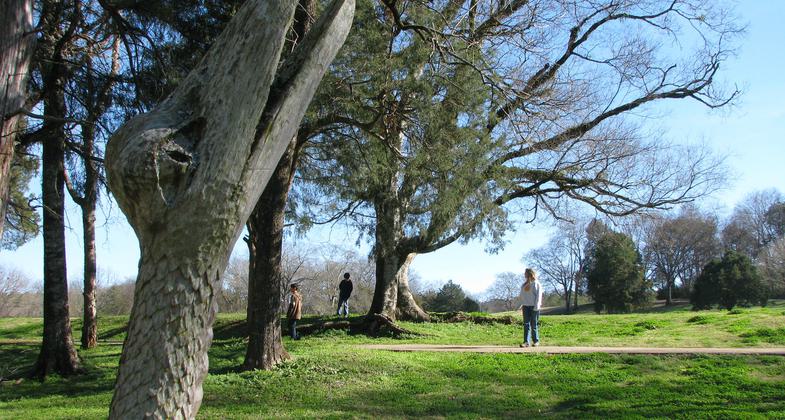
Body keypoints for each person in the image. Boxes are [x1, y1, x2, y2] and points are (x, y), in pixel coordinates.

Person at [519, 268, 543, 347]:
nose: (524, 274)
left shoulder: (536, 283)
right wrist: (520, 305)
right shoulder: (524, 285)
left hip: (534, 307)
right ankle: (526, 342)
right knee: (526, 324)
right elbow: (522, 296)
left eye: (525, 273)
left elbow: (538, 296)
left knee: (534, 325)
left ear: (530, 273)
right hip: (525, 307)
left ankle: (536, 341)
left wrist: (536, 307)